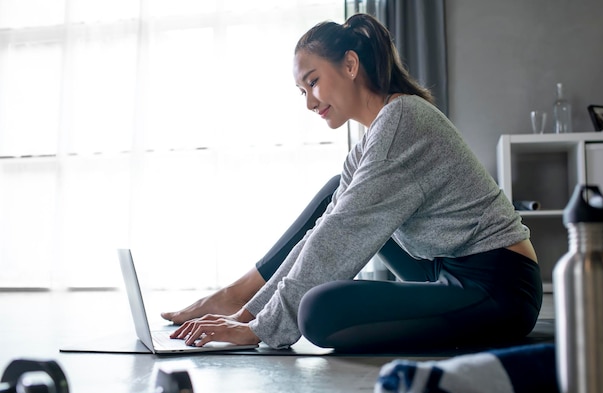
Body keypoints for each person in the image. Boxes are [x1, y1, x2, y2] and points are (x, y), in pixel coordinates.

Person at [163, 13, 542, 352]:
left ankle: (242, 299)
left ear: (350, 64)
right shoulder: (374, 138)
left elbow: (342, 233)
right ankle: (238, 297)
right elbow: (324, 230)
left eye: (312, 83)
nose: (310, 103)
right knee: (336, 197)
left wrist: (262, 328)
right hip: (440, 265)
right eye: (302, 91)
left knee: (316, 311)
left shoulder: (402, 123)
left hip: (499, 287)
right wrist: (249, 314)